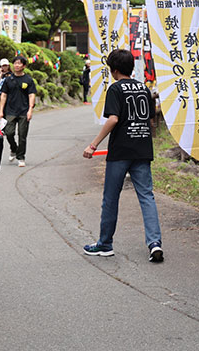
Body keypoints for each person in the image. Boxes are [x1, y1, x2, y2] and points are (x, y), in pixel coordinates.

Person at [82, 49, 163, 263]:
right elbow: (151, 118)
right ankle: (155, 243)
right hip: (143, 149)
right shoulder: (144, 89)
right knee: (147, 196)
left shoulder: (115, 89)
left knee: (111, 197)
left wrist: (93, 145)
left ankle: (105, 244)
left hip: (121, 151)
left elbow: (113, 119)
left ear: (114, 69)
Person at [0, 56, 36, 168]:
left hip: (24, 111)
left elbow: (31, 95)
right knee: (8, 133)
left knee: (22, 135)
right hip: (10, 111)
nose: (17, 65)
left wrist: (30, 110)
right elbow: (3, 95)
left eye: (19, 63)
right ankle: (13, 148)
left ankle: (21, 157)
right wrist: (0, 111)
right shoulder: (8, 80)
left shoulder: (28, 80)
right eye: (15, 63)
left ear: (24, 66)